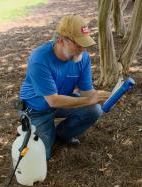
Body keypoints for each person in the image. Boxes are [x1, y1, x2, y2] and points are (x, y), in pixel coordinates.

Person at [19, 14, 111, 160]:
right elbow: (53, 101)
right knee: (42, 156)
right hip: (37, 109)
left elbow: (87, 92)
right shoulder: (40, 58)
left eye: (85, 43)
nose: (83, 49)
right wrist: (91, 100)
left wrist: (107, 97)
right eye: (78, 44)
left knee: (94, 110)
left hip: (61, 102)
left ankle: (61, 134)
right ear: (61, 40)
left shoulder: (82, 57)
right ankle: (37, 131)